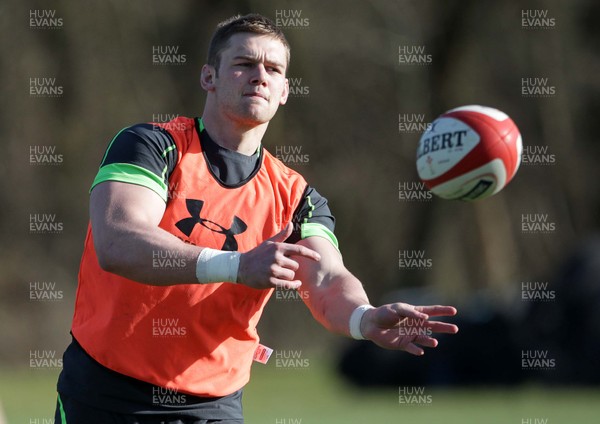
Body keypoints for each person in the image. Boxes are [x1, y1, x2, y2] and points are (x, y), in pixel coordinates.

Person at [55, 13, 458, 423]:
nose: (260, 76)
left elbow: (326, 277)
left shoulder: (298, 196)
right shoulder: (152, 146)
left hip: (214, 404)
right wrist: (238, 266)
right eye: (244, 64)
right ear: (209, 77)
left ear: (284, 91)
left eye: (274, 69)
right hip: (106, 391)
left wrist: (364, 317)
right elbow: (118, 241)